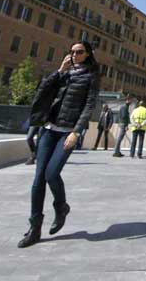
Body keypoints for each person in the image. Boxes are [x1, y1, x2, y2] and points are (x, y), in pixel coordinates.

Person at [18, 41, 100, 248]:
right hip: (48, 128)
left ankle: (61, 206)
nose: (74, 54)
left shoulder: (91, 76)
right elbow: (43, 90)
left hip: (68, 132)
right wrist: (59, 71)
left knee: (51, 174)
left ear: (88, 54)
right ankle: (34, 228)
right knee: (38, 178)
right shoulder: (64, 73)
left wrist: (76, 131)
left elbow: (89, 105)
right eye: (71, 51)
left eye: (79, 52)